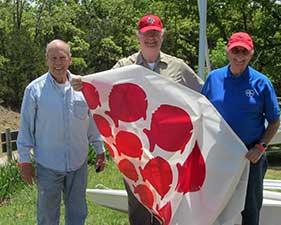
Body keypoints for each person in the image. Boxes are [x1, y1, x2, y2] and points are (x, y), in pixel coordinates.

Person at [71, 14, 204, 225]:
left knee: (170, 204)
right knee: (139, 207)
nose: (151, 38)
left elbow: (204, 95)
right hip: (135, 152)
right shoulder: (125, 66)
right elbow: (102, 86)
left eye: (155, 34)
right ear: (138, 37)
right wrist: (84, 83)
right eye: (146, 34)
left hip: (169, 153)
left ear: (162, 36)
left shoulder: (178, 67)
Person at [16, 39, 106, 225]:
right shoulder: (34, 90)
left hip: (78, 164)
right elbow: (26, 128)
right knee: (47, 217)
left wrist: (99, 150)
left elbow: (92, 123)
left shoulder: (84, 88)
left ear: (70, 60)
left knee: (77, 214)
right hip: (48, 165)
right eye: (53, 58)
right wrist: (24, 161)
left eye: (62, 57)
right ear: (46, 60)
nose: (58, 63)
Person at [201, 32, 280, 225]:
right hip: (219, 155)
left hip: (251, 156)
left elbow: (275, 121)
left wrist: (260, 147)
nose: (239, 56)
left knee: (250, 208)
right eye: (235, 50)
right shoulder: (213, 78)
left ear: (251, 54)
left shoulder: (261, 83)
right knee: (216, 204)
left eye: (244, 51)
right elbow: (201, 112)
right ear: (228, 51)